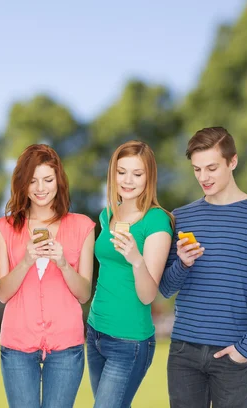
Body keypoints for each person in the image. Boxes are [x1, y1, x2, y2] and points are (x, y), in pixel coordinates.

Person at [159, 127, 247, 408]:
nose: (203, 177)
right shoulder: (180, 217)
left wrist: (245, 349)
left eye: (212, 168)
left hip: (233, 353)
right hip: (183, 352)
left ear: (233, 161)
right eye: (197, 169)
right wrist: (183, 263)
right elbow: (165, 288)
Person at [0, 144, 95, 408]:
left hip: (66, 345)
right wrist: (26, 260)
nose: (41, 188)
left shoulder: (83, 226)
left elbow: (84, 293)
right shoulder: (4, 228)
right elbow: (2, 293)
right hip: (17, 344)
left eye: (48, 180)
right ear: (22, 184)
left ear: (58, 181)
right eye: (32, 180)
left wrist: (62, 263)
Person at [86, 140, 173, 408]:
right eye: (121, 172)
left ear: (149, 178)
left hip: (130, 341)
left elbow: (148, 296)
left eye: (137, 174)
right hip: (95, 332)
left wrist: (136, 259)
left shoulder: (157, 221)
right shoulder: (107, 215)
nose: (128, 180)